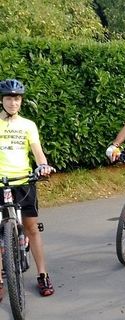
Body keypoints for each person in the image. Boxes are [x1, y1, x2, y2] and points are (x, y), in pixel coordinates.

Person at [0, 79, 55, 299]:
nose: (13, 102)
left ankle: (43, 275)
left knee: (31, 229)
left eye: (17, 98)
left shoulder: (28, 125)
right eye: (8, 98)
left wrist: (42, 166)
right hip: (0, 182)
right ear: (2, 100)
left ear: (21, 100)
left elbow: (37, 152)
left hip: (23, 182)